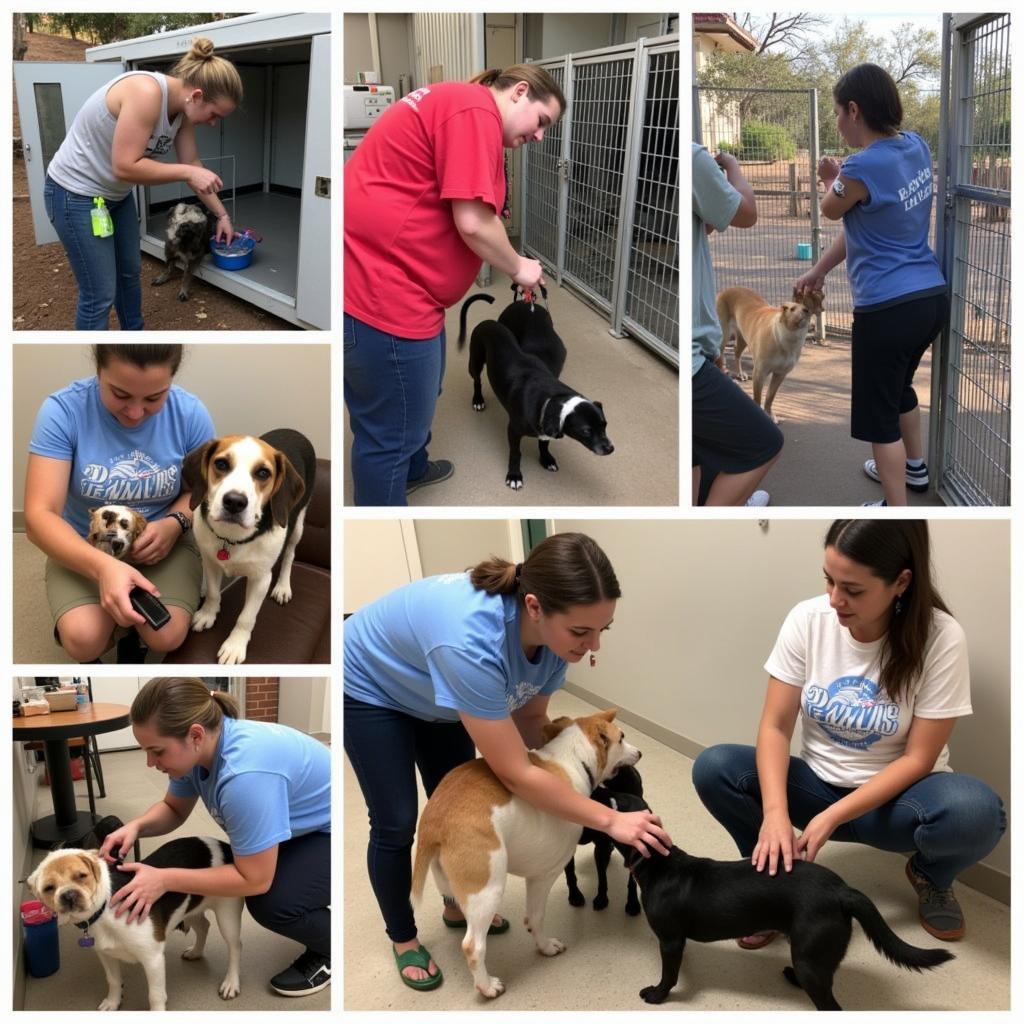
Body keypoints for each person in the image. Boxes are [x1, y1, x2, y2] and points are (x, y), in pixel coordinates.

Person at [343, 532, 671, 990]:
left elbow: (531, 716)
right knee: (397, 821)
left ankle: (457, 902)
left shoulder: (554, 646)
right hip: (370, 685)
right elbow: (515, 772)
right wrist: (608, 820)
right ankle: (402, 937)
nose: (593, 646)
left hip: (444, 694)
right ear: (534, 607)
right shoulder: (471, 641)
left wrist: (578, 772)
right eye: (581, 631)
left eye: (603, 629)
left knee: (457, 804)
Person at [692, 519, 1005, 947]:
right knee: (715, 767)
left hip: (895, 802)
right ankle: (767, 879)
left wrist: (832, 818)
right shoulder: (808, 618)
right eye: (829, 581)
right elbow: (776, 725)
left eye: (853, 590)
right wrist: (776, 814)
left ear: (901, 582)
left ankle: (931, 876)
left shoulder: (941, 637)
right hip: (817, 785)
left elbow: (919, 759)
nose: (835, 600)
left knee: (977, 812)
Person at [344, 65, 563, 505]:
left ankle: (415, 467)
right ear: (520, 92)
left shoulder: (462, 107)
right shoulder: (472, 110)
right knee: (388, 434)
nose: (540, 137)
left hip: (404, 292)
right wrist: (520, 267)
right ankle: (388, 495)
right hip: (382, 295)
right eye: (542, 122)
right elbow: (474, 223)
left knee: (421, 395)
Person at [99, 677, 331, 997]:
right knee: (257, 877)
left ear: (194, 735)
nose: (151, 763)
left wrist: (164, 879)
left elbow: (255, 880)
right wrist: (135, 827)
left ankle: (328, 946)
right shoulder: (200, 750)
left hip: (326, 831)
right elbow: (173, 808)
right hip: (295, 826)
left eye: (157, 751)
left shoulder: (243, 777)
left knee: (272, 903)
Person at [794, 64, 947, 506]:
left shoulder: (859, 166)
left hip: (887, 309)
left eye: (838, 112)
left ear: (854, 110)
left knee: (879, 420)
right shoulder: (916, 146)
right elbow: (859, 223)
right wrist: (819, 269)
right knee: (897, 389)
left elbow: (829, 209)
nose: (837, 121)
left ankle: (895, 510)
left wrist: (829, 177)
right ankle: (914, 469)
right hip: (927, 300)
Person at [24, 344, 213, 663]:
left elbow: (201, 492)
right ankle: (112, 622)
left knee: (166, 634)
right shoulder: (62, 411)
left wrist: (174, 523)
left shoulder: (191, 414)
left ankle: (131, 633)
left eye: (154, 398)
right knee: (83, 640)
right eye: (120, 395)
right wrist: (103, 566)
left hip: (162, 542)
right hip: (87, 544)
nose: (136, 413)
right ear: (99, 373)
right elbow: (39, 515)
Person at [43, 36, 243, 330]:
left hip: (115, 196)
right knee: (99, 293)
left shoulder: (183, 110)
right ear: (197, 96)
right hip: (75, 194)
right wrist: (187, 173)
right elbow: (125, 166)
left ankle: (133, 335)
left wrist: (222, 215)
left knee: (128, 274)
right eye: (214, 114)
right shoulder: (145, 93)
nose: (213, 122)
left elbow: (193, 164)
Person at [692, 142, 784, 506]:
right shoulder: (695, 156)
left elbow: (710, 224)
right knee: (765, 442)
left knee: (698, 447)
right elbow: (746, 213)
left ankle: (725, 499)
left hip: (697, 345)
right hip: (693, 355)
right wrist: (731, 167)